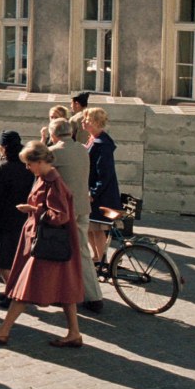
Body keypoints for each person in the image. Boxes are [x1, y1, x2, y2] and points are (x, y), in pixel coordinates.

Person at [0, 141, 85, 348]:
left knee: (24, 288)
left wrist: (33, 209)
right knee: (64, 289)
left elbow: (60, 216)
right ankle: (74, 333)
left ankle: (3, 330)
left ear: (40, 161)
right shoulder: (44, 178)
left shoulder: (52, 182)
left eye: (29, 163)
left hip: (45, 245)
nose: (27, 168)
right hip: (48, 244)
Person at [48, 118, 104, 313]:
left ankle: (89, 296)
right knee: (81, 251)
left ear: (53, 135)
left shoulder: (54, 152)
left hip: (65, 209)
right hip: (82, 206)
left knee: (61, 251)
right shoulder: (81, 149)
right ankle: (90, 295)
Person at [0, 131, 35, 298]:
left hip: (4, 219)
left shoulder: (4, 168)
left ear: (4, 148)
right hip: (23, 217)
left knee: (2, 261)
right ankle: (13, 290)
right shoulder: (28, 165)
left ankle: (13, 292)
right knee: (18, 259)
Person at [83, 107, 121, 269]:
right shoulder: (94, 139)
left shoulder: (103, 144)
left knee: (97, 229)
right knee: (90, 228)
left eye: (87, 120)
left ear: (96, 123)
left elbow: (104, 173)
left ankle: (102, 260)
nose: (83, 122)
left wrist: (94, 192)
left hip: (101, 195)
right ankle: (97, 257)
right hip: (94, 191)